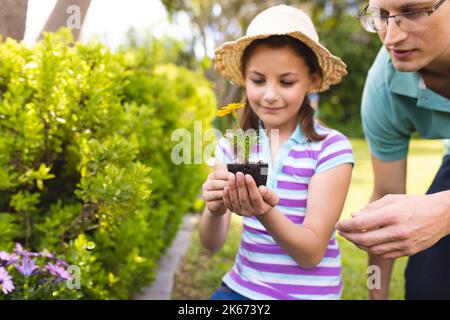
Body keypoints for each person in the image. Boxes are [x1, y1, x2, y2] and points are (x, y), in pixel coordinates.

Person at [200, 5, 354, 300]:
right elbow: (211, 244)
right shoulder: (234, 146)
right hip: (242, 288)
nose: (270, 95)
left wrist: (263, 211)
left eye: (286, 82)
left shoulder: (331, 149)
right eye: (258, 80)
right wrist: (214, 209)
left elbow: (310, 253)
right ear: (245, 79)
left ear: (311, 80)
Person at [335, 0, 450, 299]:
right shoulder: (383, 86)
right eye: (381, 16)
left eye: (411, 12)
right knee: (426, 286)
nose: (390, 37)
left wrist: (444, 212)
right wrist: (377, 293)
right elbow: (386, 198)